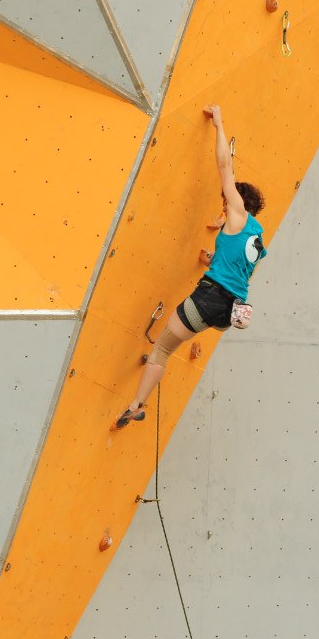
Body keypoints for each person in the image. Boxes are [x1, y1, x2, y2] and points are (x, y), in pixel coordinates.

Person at [113, 104, 266, 429]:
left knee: (163, 349)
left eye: (227, 200)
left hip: (209, 298)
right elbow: (237, 270)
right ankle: (142, 391)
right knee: (171, 345)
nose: (223, 205)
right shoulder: (256, 240)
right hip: (230, 312)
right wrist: (211, 260)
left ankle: (135, 405)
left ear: (238, 202)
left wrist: (219, 123)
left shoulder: (237, 213)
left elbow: (225, 165)